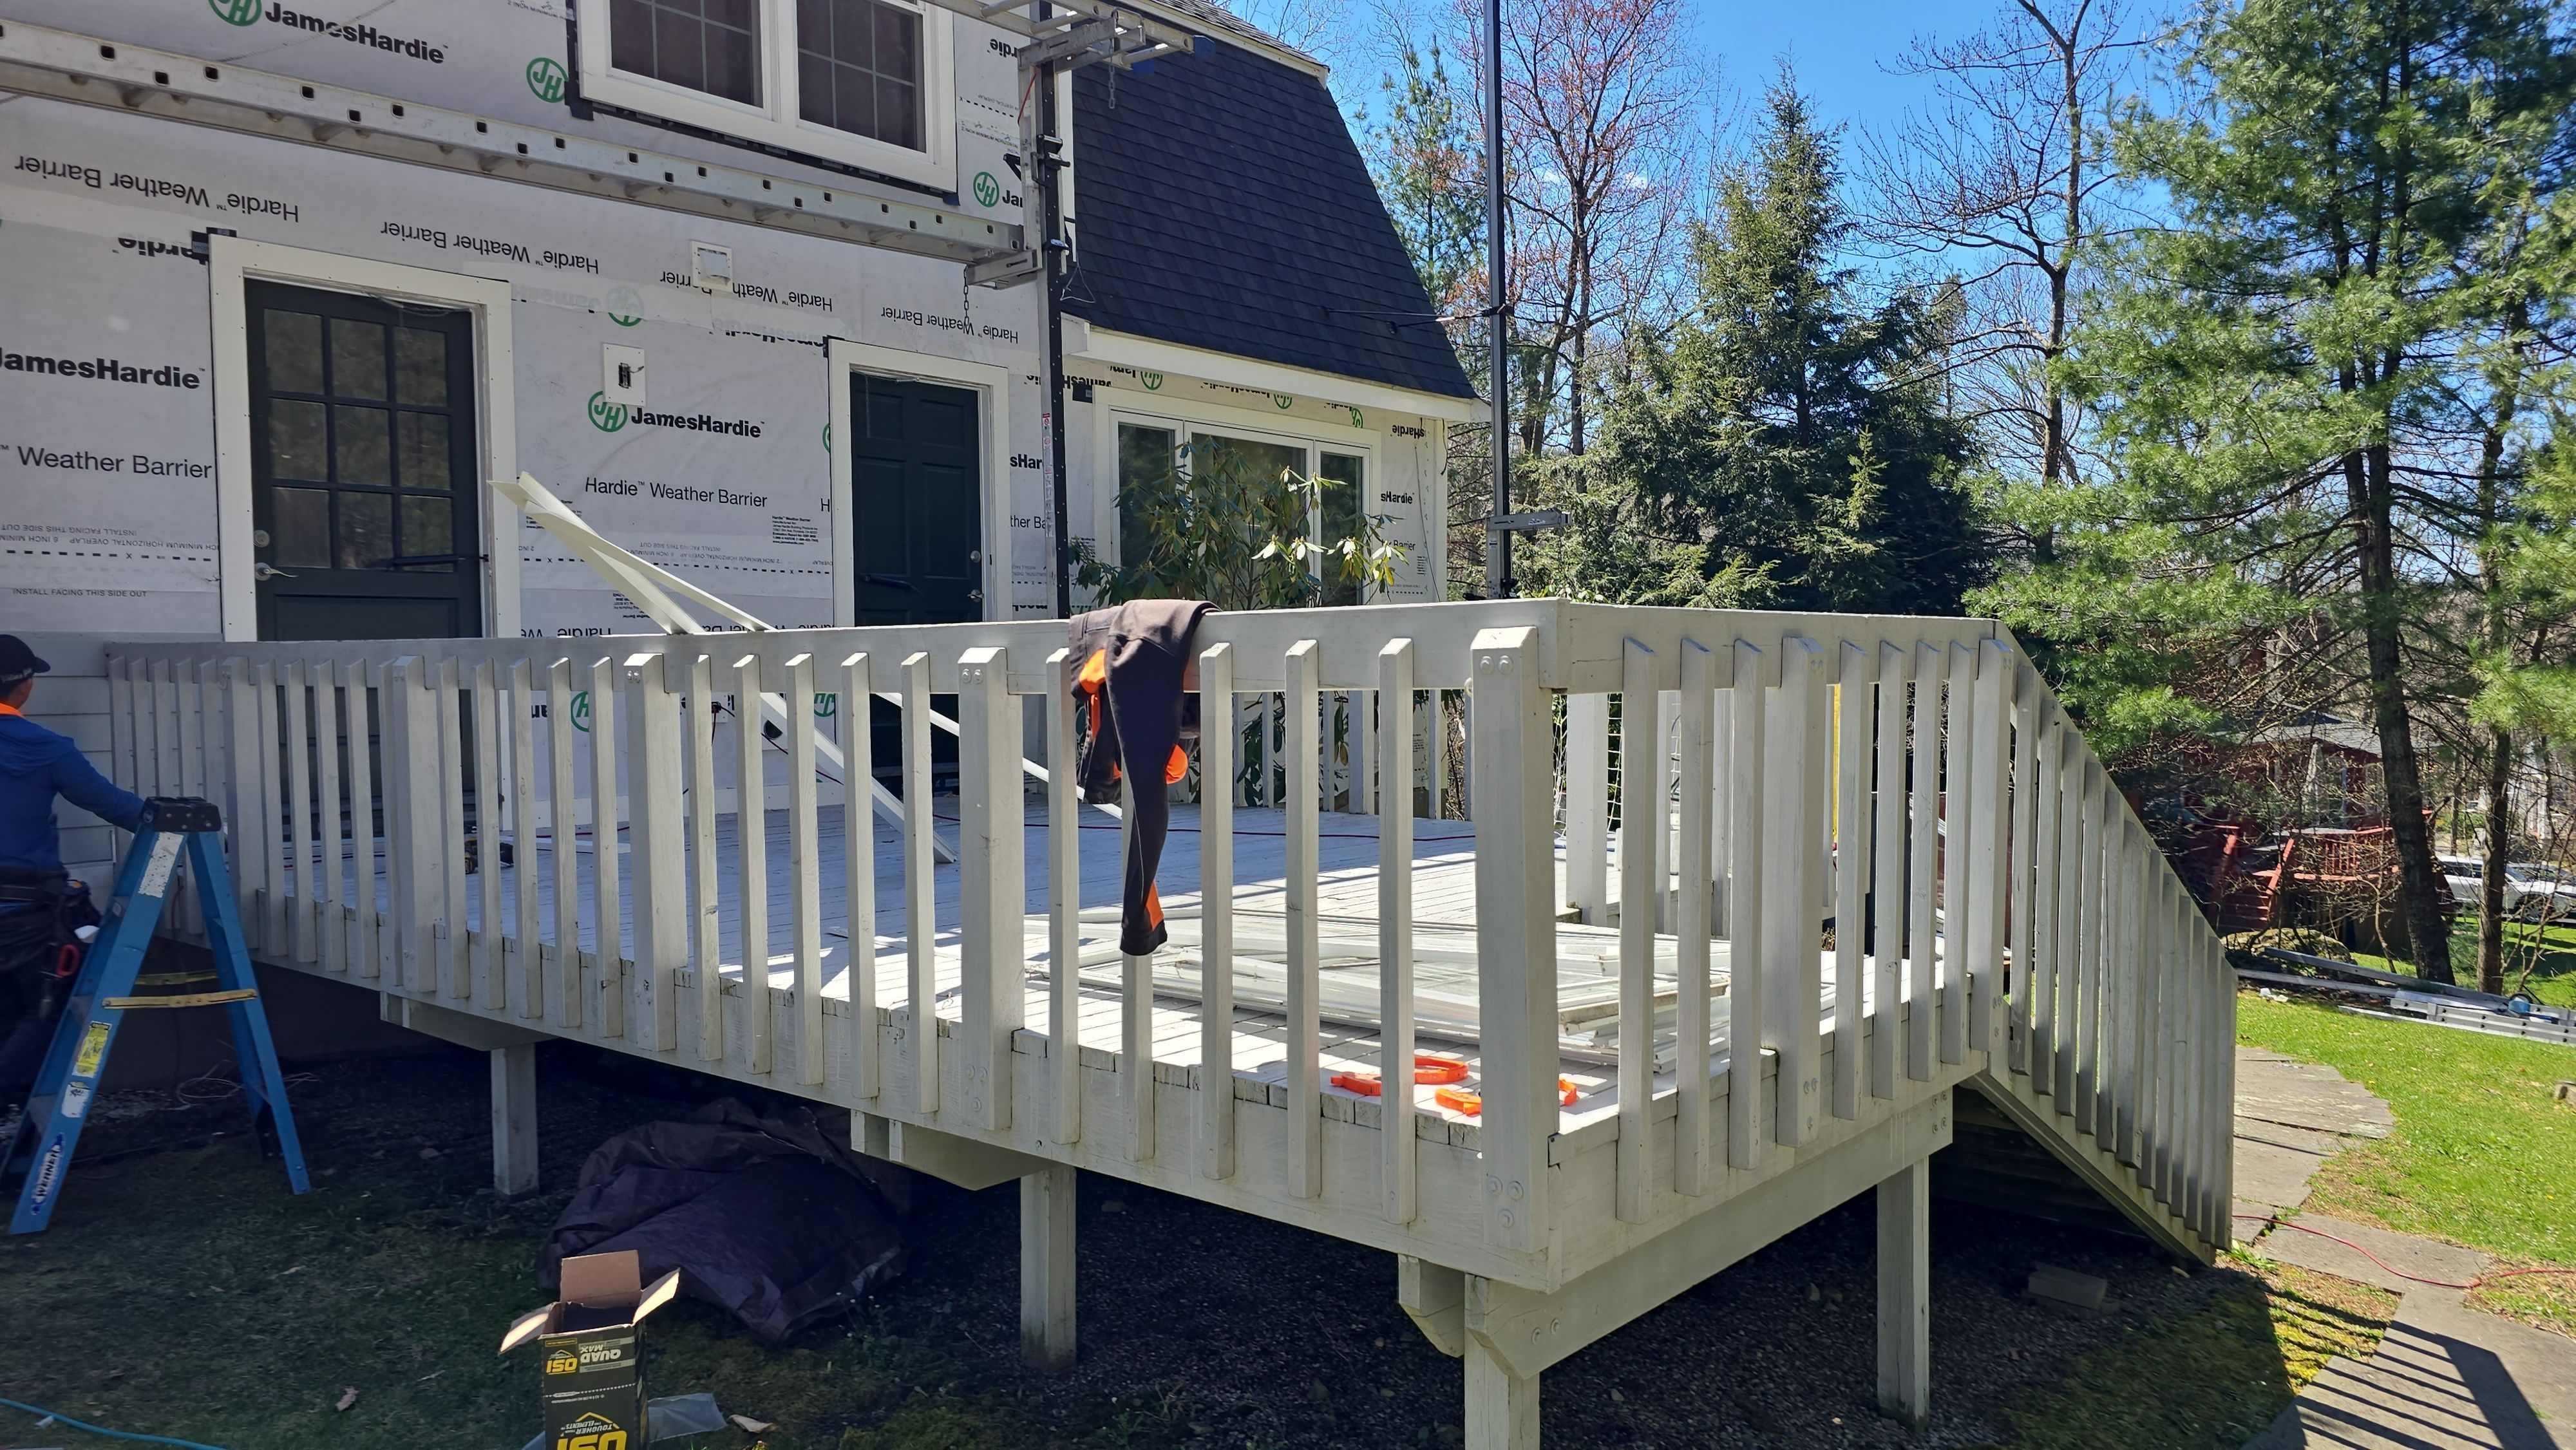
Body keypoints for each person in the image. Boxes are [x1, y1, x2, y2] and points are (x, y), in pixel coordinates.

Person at [0, 636, 146, 1102]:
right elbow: (120, 809)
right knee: (44, 1008)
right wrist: (193, 821)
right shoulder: (44, 748)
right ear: (24, 687)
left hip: (21, 909)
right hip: (22, 913)